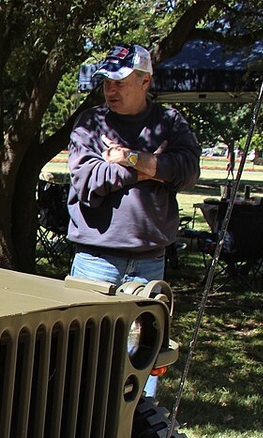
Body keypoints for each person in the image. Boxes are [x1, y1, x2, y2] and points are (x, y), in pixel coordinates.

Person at [66, 44, 200, 286]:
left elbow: (188, 170)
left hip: (150, 263)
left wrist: (129, 157)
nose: (111, 90)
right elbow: (87, 180)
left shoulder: (169, 121)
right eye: (107, 82)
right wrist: (152, 170)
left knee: (145, 326)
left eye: (119, 82)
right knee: (91, 326)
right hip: (96, 262)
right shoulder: (90, 123)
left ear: (145, 81)